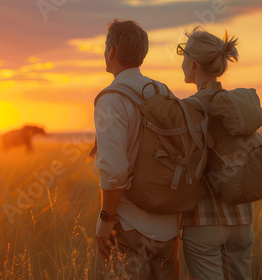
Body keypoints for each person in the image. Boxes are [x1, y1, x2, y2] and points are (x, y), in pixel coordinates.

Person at [94, 19, 180, 279]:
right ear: (142, 53)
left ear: (111, 52)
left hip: (131, 226)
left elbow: (114, 171)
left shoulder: (111, 99)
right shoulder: (164, 91)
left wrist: (105, 220)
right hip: (169, 226)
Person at [178, 26, 256, 280]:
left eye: (182, 53)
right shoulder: (242, 106)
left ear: (193, 64)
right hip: (243, 220)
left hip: (203, 222)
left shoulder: (187, 109)